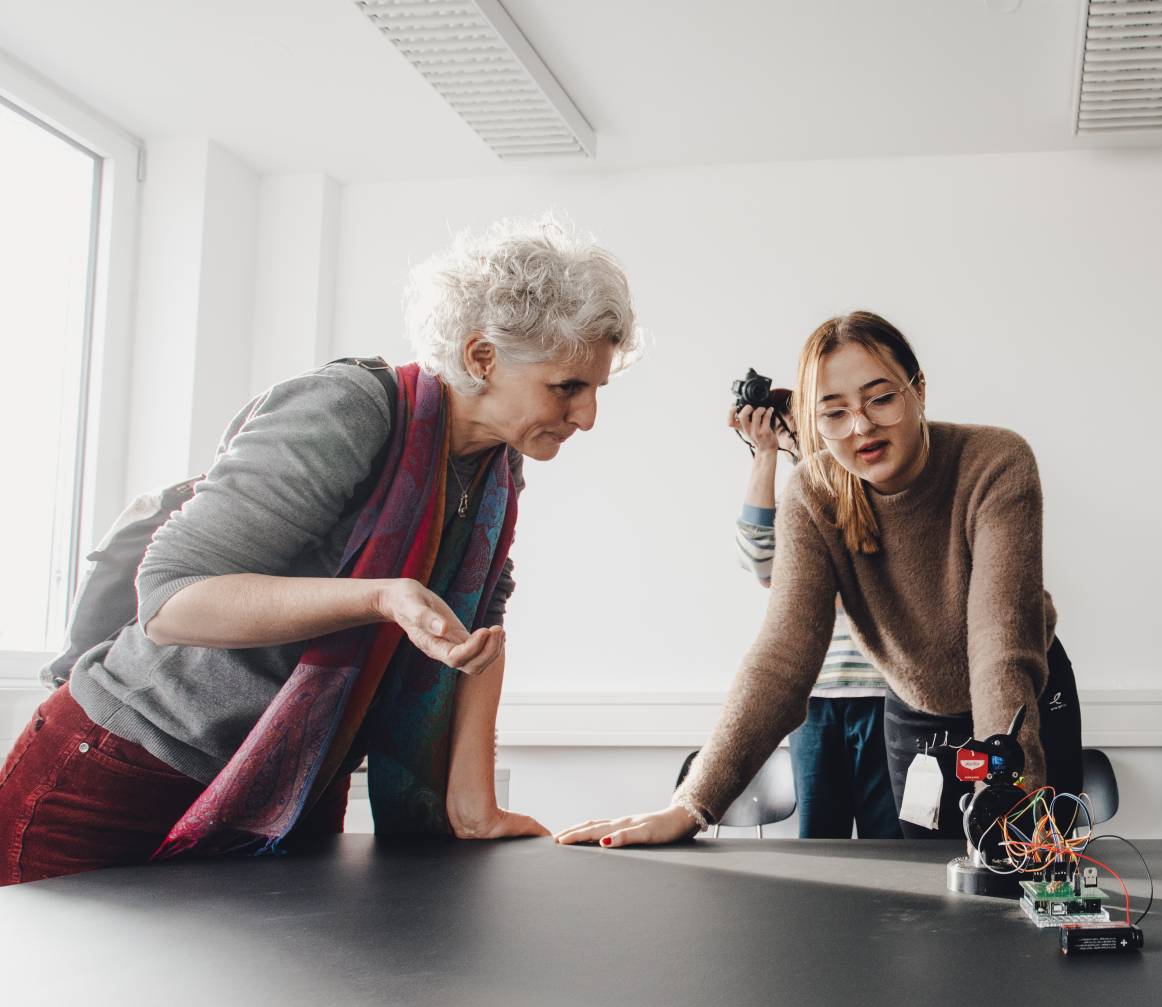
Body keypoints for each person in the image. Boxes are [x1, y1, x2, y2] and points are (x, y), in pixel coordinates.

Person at [0, 216, 639, 884]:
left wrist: (473, 808)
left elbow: (481, 630)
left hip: (289, 786)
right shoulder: (351, 408)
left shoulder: (497, 468)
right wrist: (378, 598)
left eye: (595, 389)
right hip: (124, 765)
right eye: (567, 387)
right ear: (482, 357)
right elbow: (169, 601)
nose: (587, 415)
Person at [558, 310, 1080, 849]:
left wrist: (1011, 785)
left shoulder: (995, 462)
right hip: (916, 711)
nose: (861, 428)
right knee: (930, 896)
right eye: (834, 413)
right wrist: (692, 805)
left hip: (1023, 699)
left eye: (880, 399)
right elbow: (783, 658)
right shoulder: (813, 494)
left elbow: (1000, 639)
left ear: (918, 390)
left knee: (1032, 875)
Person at [731, 403, 902, 839]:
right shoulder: (800, 497)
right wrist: (766, 453)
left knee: (890, 846)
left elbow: (873, 577)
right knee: (820, 844)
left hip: (886, 694)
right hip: (815, 697)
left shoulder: (883, 480)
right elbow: (761, 562)